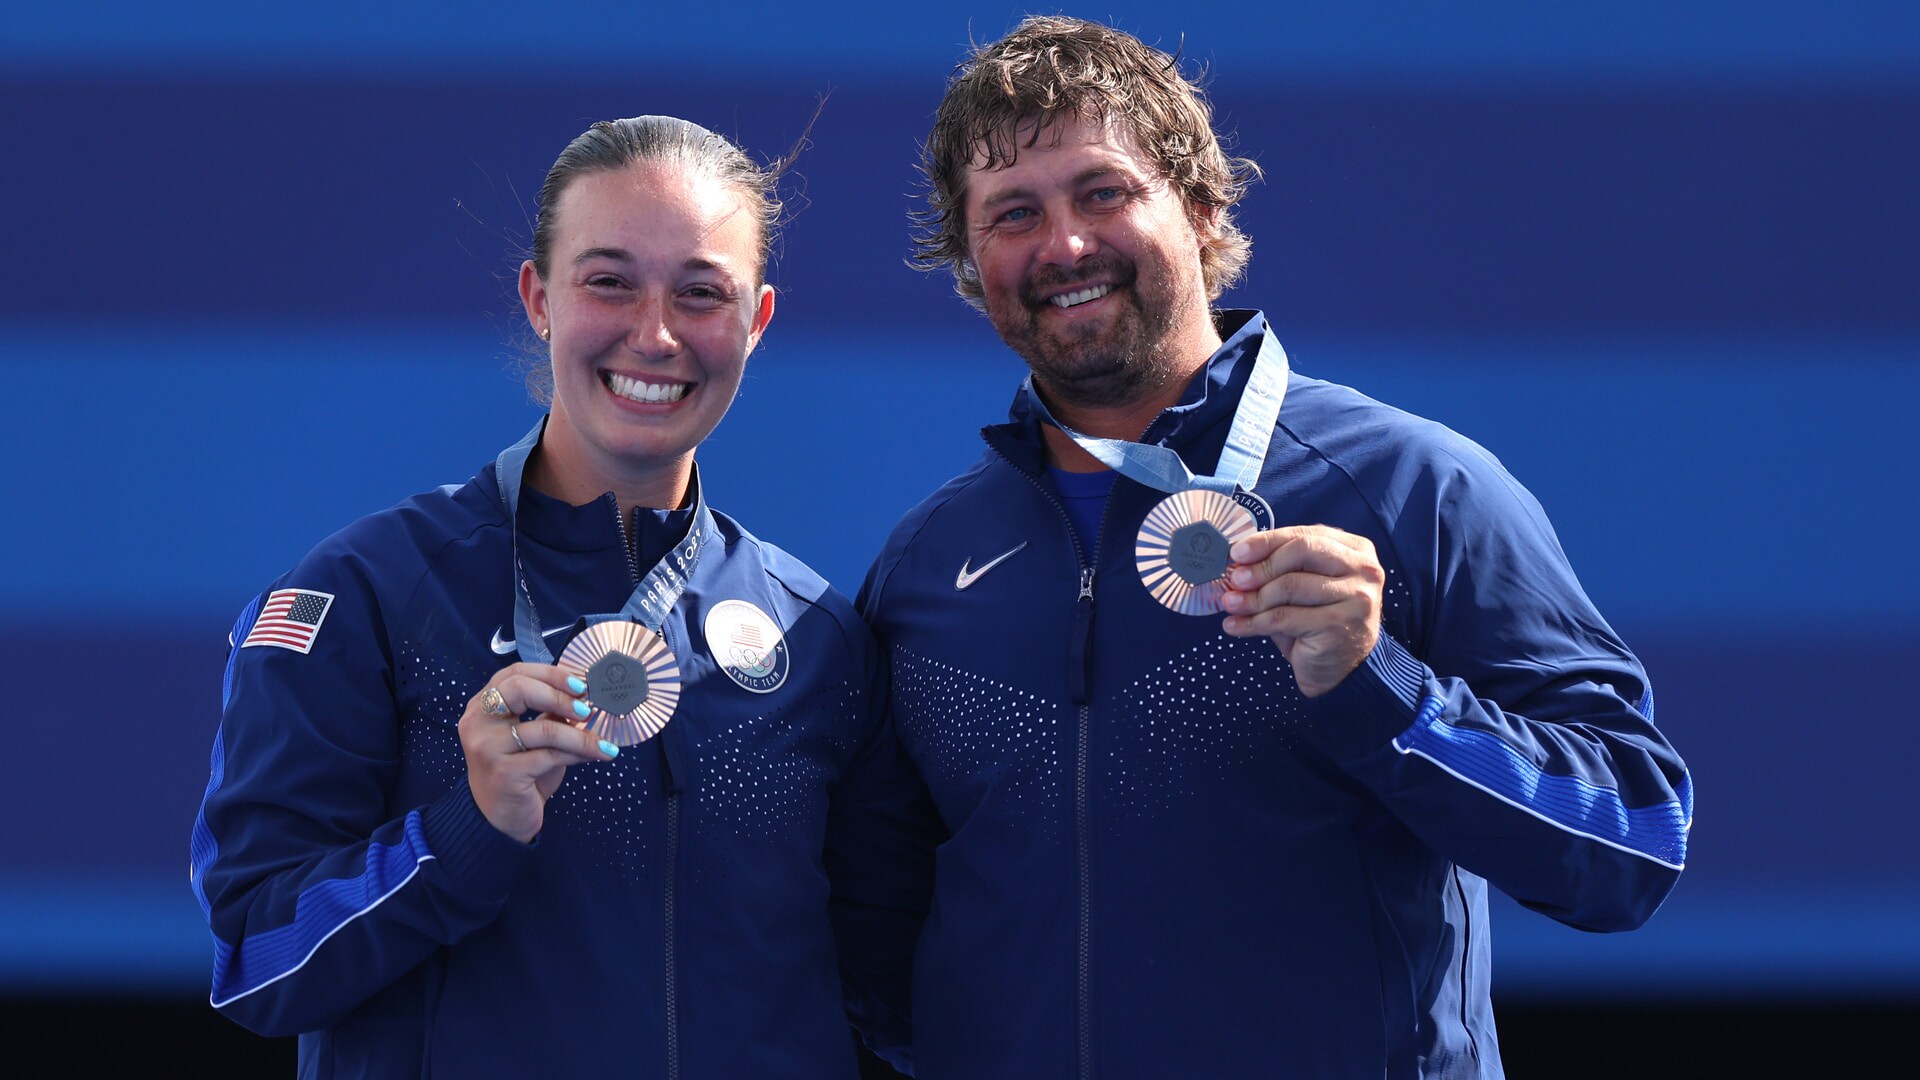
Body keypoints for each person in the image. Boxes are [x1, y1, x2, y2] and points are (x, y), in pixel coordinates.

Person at [858, 16, 1693, 1078]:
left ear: (1202, 211)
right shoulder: (929, 563)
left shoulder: (1417, 491)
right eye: (1014, 214)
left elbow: (1633, 843)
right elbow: (871, 926)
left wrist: (1381, 689)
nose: (1064, 245)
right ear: (973, 266)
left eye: (1104, 193)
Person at [191, 115, 932, 1078]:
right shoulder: (366, 596)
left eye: (701, 293)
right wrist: (465, 832)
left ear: (756, 322)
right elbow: (254, 960)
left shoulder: (822, 639)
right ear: (540, 298)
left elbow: (904, 991)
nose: (654, 333)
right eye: (609, 281)